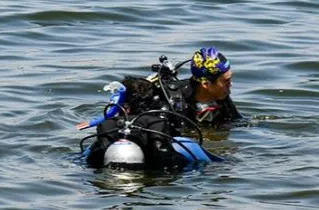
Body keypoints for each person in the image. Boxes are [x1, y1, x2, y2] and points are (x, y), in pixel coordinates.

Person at [78, 47, 241, 169]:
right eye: (226, 81)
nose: (231, 84)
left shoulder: (222, 97)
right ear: (206, 84)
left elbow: (237, 123)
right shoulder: (169, 100)